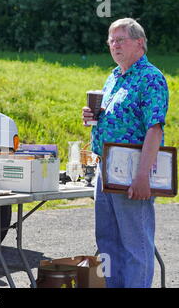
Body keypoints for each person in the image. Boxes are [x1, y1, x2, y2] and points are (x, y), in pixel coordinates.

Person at [82, 18, 169, 288]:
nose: (114, 45)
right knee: (107, 241)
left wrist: (143, 176)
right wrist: (92, 116)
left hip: (132, 171)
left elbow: (154, 130)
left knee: (135, 243)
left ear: (139, 43)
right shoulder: (114, 76)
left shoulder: (151, 78)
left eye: (121, 40)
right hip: (104, 168)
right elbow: (114, 118)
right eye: (111, 40)